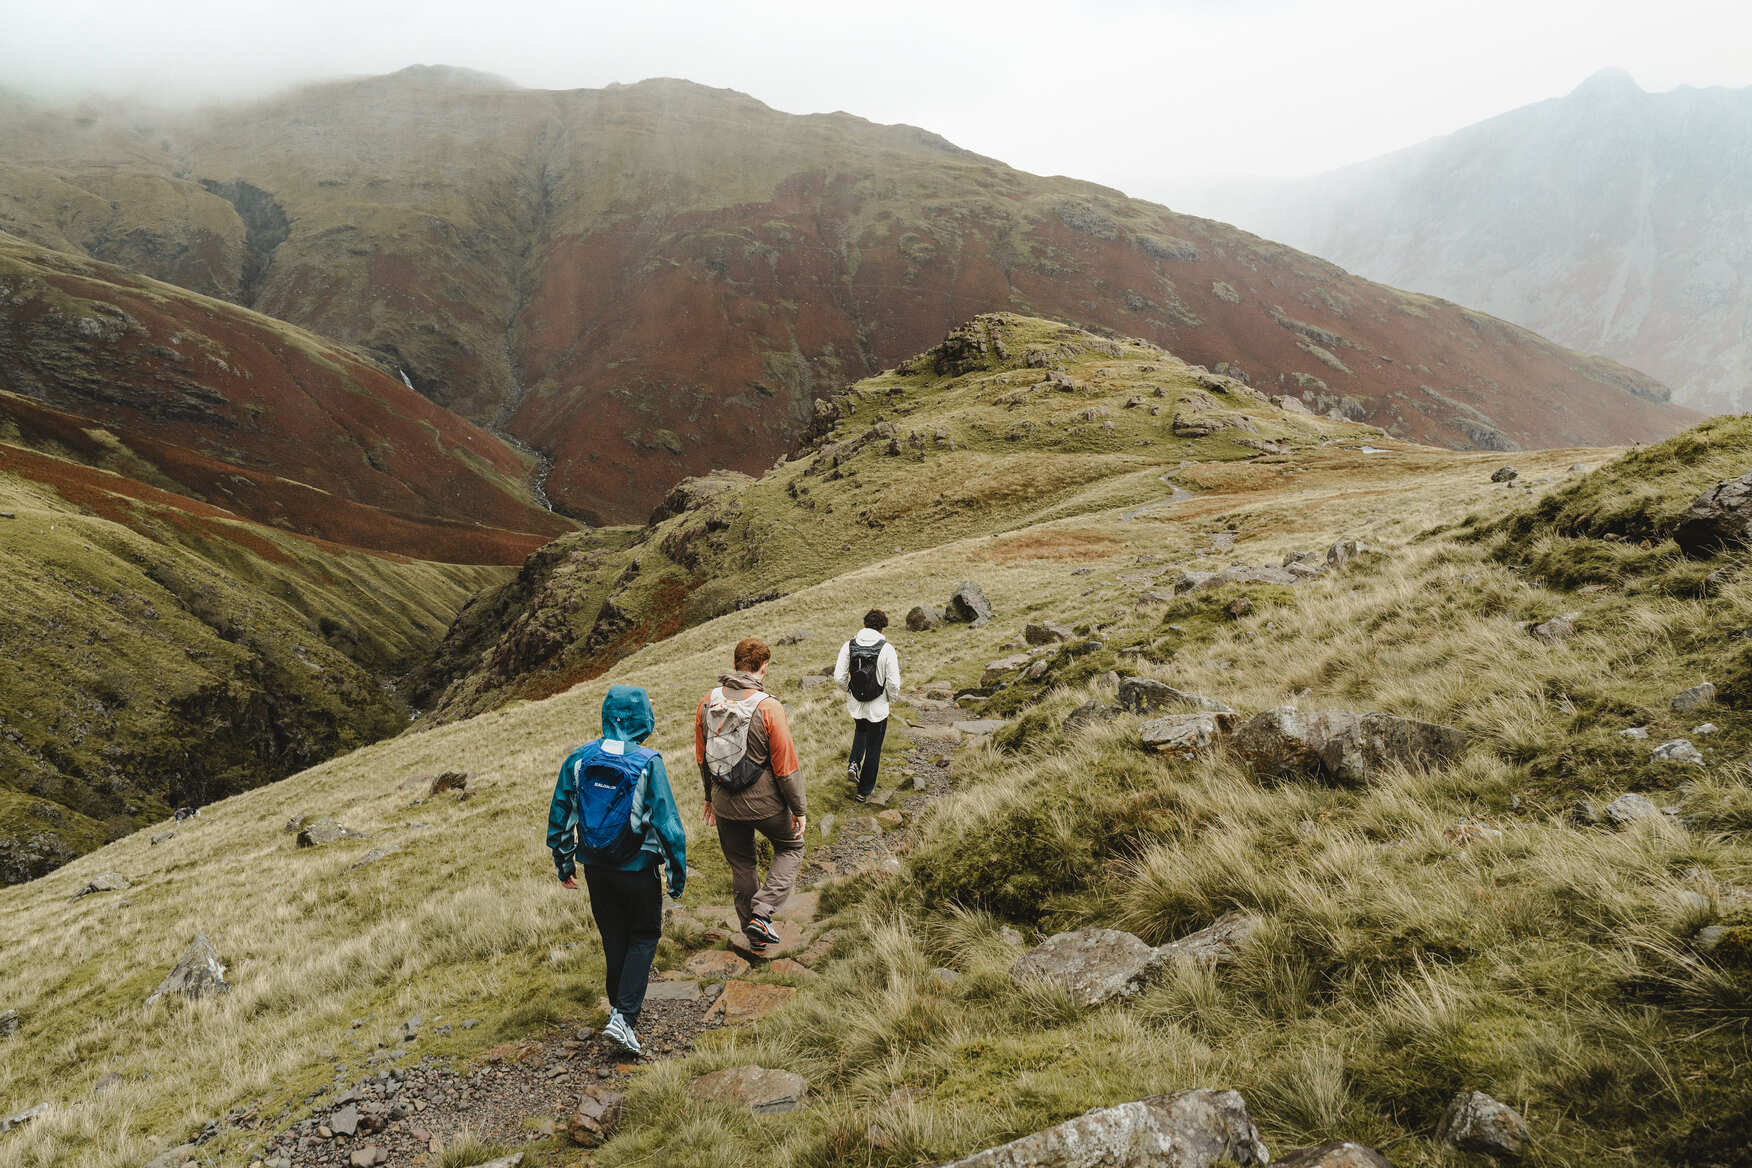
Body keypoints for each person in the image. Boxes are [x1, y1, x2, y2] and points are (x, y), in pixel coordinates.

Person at [548, 685, 687, 1058]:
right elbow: (668, 824)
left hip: (595, 867)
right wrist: (677, 872)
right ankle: (624, 1017)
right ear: (643, 718)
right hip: (637, 867)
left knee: (614, 938)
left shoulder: (578, 759)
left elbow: (560, 816)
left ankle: (618, 1010)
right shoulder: (648, 761)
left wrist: (564, 863)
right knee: (644, 935)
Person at [695, 637, 805, 956]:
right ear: (764, 667)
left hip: (724, 802)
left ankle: (754, 935)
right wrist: (798, 808)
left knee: (742, 864)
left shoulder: (707, 701)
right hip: (766, 803)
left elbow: (703, 758)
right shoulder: (768, 706)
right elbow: (785, 766)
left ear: (735, 663)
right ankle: (763, 911)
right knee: (791, 846)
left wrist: (709, 798)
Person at [833, 609, 901, 803]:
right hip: (878, 705)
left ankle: (854, 763)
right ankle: (864, 791)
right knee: (874, 746)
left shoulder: (849, 645)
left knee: (860, 730)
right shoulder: (887, 648)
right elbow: (894, 682)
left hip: (856, 703)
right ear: (881, 627)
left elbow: (838, 677)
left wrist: (850, 689)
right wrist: (890, 698)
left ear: (864, 625)